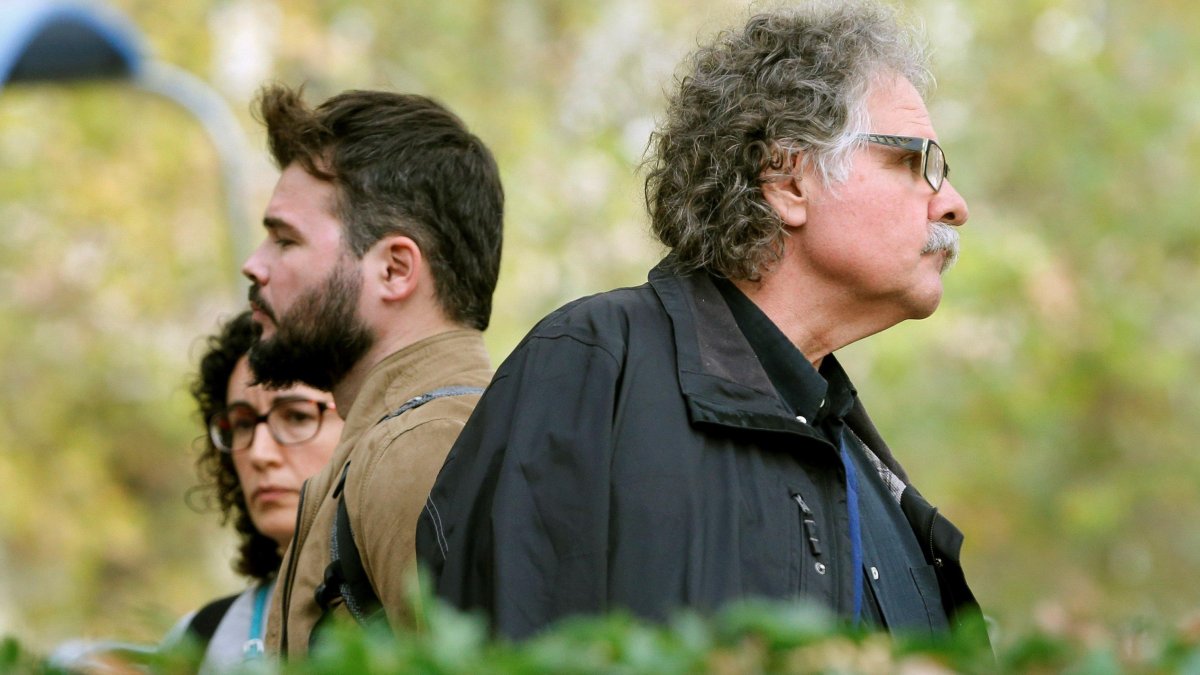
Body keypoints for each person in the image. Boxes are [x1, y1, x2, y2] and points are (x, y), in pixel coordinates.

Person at [417, 0, 987, 643]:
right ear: (787, 179)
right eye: (915, 161)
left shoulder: (867, 469)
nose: (954, 205)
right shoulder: (592, 368)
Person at [241, 84, 504, 657]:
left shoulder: (420, 450)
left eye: (285, 240)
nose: (254, 265)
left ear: (393, 269)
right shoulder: (394, 441)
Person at [163, 310, 343, 670]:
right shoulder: (199, 640)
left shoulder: (423, 614)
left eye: (296, 415)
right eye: (242, 424)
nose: (259, 453)